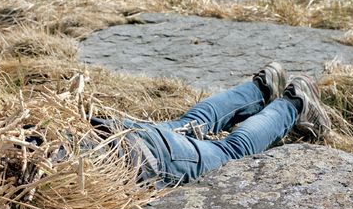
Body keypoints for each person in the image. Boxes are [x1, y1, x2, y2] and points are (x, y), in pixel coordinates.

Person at [94, 63, 331, 188]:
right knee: (187, 124)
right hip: (114, 132)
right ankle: (260, 89)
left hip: (143, 160)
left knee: (231, 153)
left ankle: (294, 103)